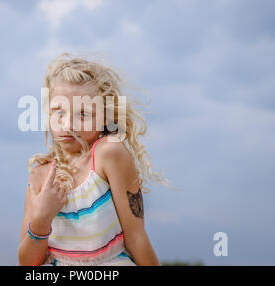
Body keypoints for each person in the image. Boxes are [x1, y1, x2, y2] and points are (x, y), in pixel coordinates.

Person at [18, 53, 171, 266]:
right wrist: (42, 220)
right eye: (58, 111)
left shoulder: (109, 154)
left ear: (103, 117)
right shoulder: (39, 176)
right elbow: (27, 264)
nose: (68, 123)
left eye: (83, 114)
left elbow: (137, 238)